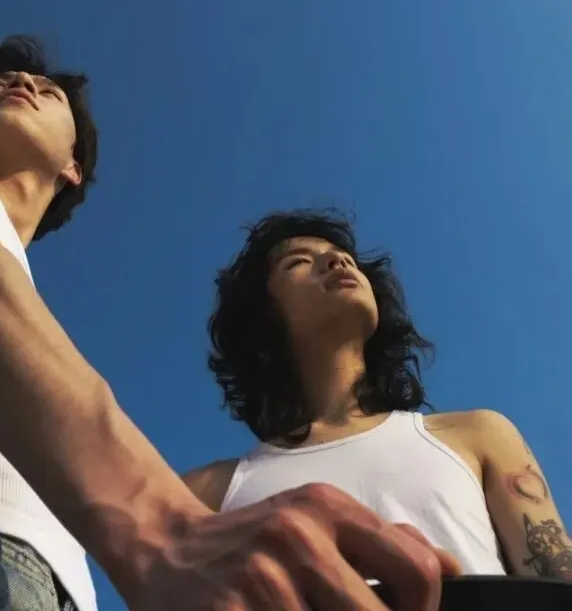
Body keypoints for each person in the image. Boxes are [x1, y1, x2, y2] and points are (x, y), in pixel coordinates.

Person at [0, 37, 459, 611]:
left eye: (50, 90)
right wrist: (163, 523)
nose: (21, 82)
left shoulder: (19, 285)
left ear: (73, 168)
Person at [184, 209, 572, 582]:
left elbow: (557, 582)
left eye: (344, 256)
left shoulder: (479, 435)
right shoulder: (207, 493)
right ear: (261, 314)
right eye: (298, 262)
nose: (337, 260)